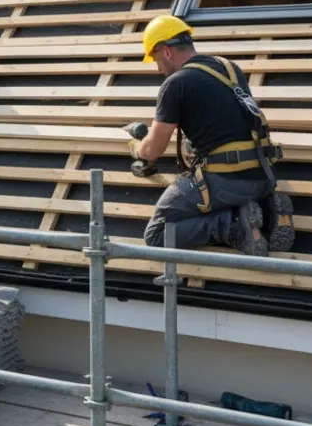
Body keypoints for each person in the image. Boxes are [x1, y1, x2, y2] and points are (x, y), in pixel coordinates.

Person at [125, 15, 294, 256]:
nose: (157, 67)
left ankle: (232, 226)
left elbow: (153, 150)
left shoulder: (176, 83)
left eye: (155, 58)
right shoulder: (229, 69)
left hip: (224, 184)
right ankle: (267, 212)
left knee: (157, 234)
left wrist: (137, 148)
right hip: (263, 178)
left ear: (167, 51)